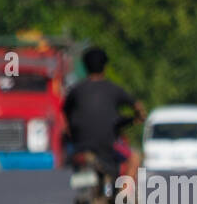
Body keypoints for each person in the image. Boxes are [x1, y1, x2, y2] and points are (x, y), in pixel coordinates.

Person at [62, 46, 144, 185]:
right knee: (135, 157)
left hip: (80, 146)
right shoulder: (113, 89)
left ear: (85, 66)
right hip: (107, 146)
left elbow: (65, 113)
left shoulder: (75, 91)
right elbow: (137, 107)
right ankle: (124, 195)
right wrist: (138, 117)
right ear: (104, 67)